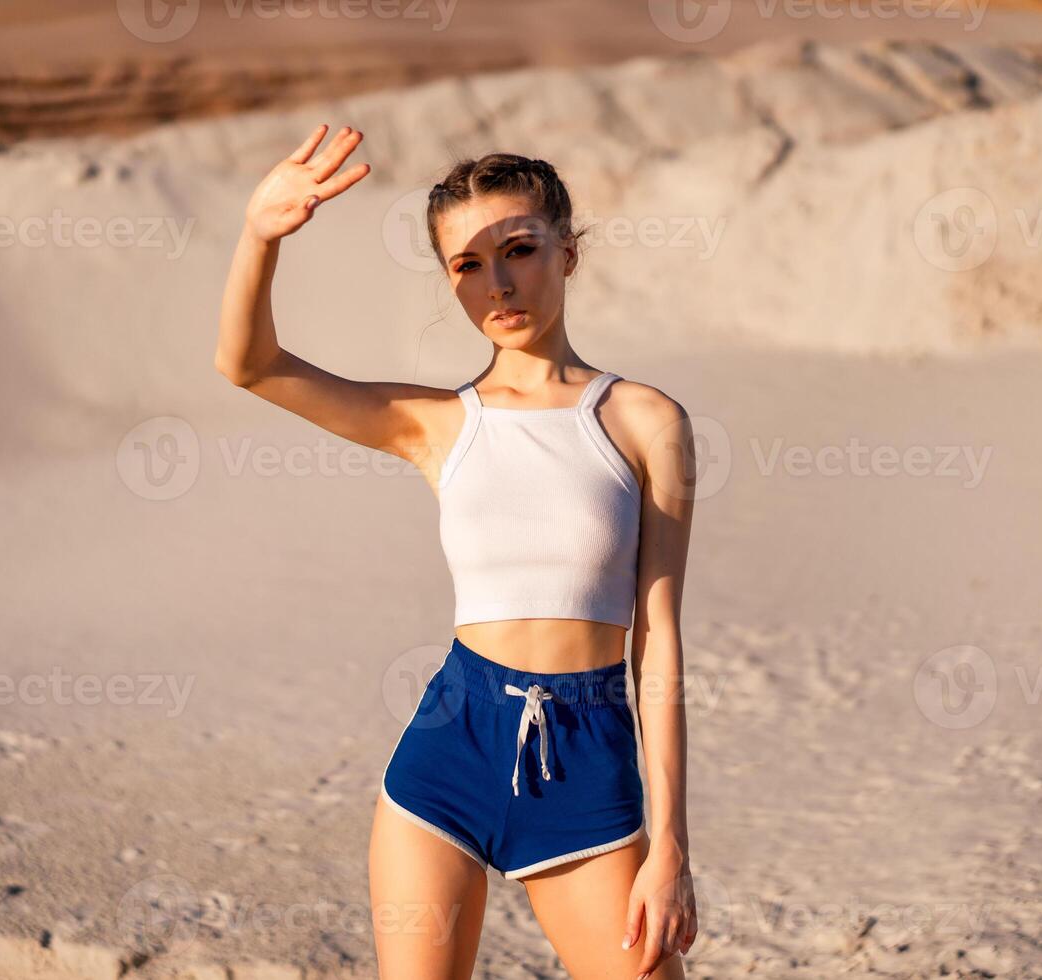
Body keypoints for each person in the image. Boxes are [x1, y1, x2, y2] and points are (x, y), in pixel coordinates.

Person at [214, 123, 698, 979]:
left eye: (520, 249)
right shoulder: (436, 424)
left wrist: (670, 847)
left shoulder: (645, 422)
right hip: (449, 750)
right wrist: (259, 236)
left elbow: (656, 636)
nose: (499, 284)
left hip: (586, 759)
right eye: (469, 265)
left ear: (568, 253)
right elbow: (249, 364)